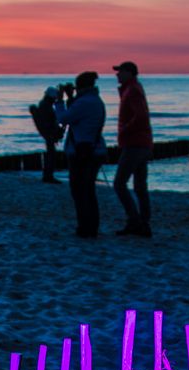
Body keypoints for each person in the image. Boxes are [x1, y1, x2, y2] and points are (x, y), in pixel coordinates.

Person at [54, 71, 107, 239]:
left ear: (81, 86)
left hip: (83, 152)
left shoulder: (85, 102)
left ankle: (86, 227)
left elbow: (63, 118)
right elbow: (75, 115)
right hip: (93, 149)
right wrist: (71, 97)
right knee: (87, 190)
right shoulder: (94, 100)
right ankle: (89, 226)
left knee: (80, 190)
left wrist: (59, 101)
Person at [110, 61, 154, 237]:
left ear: (129, 73)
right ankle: (142, 222)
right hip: (141, 143)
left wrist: (124, 130)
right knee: (139, 186)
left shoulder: (133, 90)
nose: (117, 75)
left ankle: (135, 221)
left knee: (119, 183)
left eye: (120, 71)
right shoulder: (133, 88)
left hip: (134, 144)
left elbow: (140, 116)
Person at [30, 86, 64, 184]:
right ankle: (48, 176)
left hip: (47, 133)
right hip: (49, 133)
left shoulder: (44, 105)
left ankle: (48, 175)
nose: (55, 100)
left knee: (51, 154)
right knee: (51, 155)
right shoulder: (46, 106)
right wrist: (54, 132)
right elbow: (49, 121)